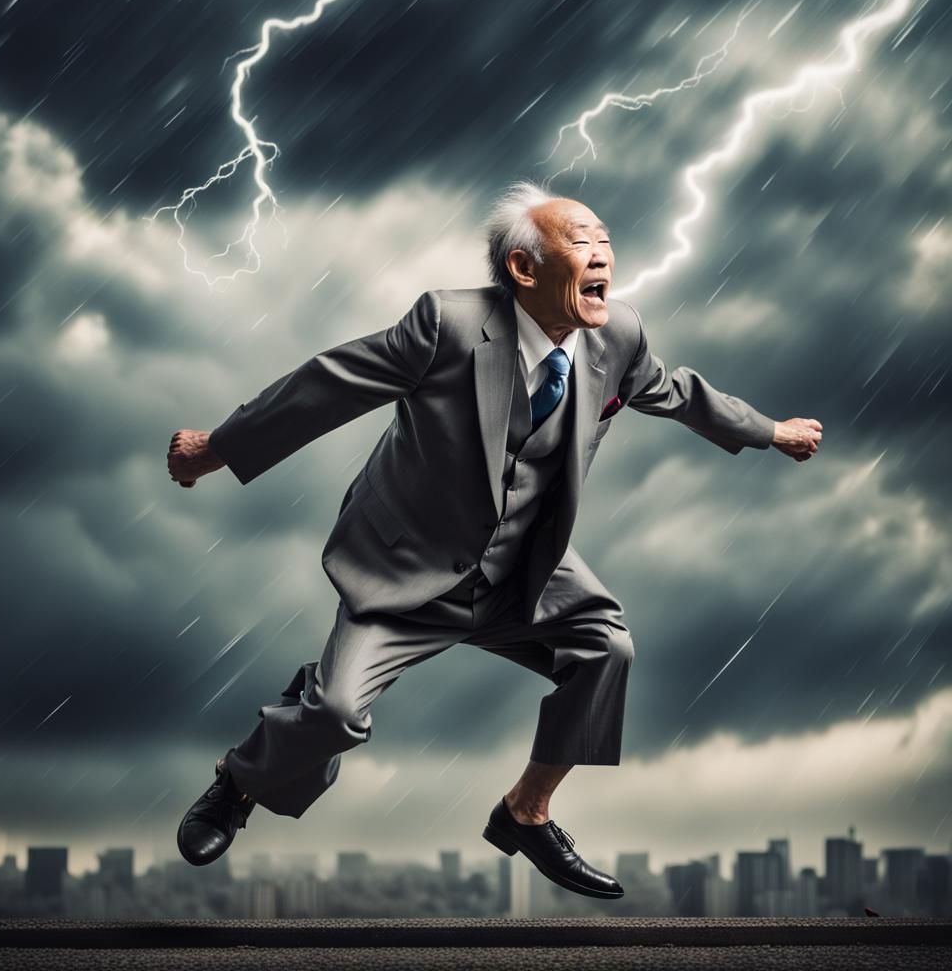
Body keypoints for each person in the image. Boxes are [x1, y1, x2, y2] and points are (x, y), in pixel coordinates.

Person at [166, 180, 823, 898]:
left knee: (607, 647)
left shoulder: (619, 337)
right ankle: (239, 782)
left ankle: (526, 812)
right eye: (581, 243)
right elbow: (327, 385)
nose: (603, 254)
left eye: (605, 240)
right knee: (333, 715)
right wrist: (215, 450)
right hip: (407, 569)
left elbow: (678, 392)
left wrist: (768, 431)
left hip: (524, 572)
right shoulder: (445, 327)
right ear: (523, 268)